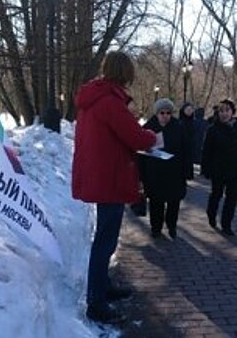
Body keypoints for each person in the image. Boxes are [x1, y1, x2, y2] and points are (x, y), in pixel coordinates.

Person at [72, 51, 157, 324]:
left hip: (101, 175)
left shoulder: (93, 98)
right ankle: (96, 301)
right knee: (105, 239)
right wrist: (152, 136)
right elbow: (135, 137)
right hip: (109, 177)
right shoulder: (110, 101)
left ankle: (103, 286)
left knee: (106, 236)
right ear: (125, 74)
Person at [201, 99, 237, 236]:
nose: (224, 114)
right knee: (216, 195)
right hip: (217, 169)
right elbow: (206, 151)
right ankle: (211, 214)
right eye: (221, 111)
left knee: (231, 198)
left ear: (232, 112)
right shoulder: (212, 129)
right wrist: (205, 168)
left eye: (227, 111)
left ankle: (226, 224)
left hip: (235, 169)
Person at [139, 98, 187, 239]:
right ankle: (156, 227)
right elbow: (140, 152)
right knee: (156, 203)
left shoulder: (179, 127)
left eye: (168, 113)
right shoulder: (148, 127)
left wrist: (185, 170)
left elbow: (186, 149)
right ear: (157, 113)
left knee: (174, 202)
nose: (165, 116)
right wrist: (141, 175)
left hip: (174, 171)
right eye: (162, 113)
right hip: (155, 172)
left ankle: (172, 225)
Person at [179, 101, 195, 180]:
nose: (189, 111)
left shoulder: (193, 121)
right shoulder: (181, 122)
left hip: (191, 144)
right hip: (182, 144)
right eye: (187, 110)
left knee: (189, 160)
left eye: (191, 110)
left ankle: (189, 175)